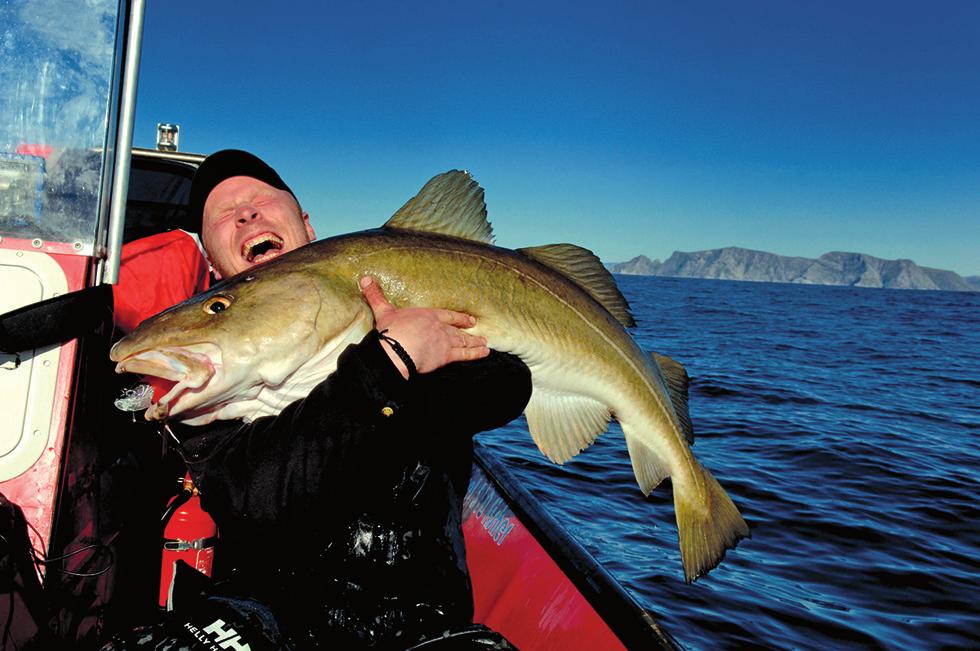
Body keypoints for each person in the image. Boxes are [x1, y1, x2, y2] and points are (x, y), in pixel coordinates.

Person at [101, 151, 531, 649]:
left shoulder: (407, 301)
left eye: (262, 201)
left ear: (307, 226)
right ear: (216, 268)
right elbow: (259, 498)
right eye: (222, 215)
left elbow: (506, 384)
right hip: (265, 610)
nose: (244, 214)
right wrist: (390, 363)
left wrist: (402, 356)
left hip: (427, 616)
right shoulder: (207, 391)